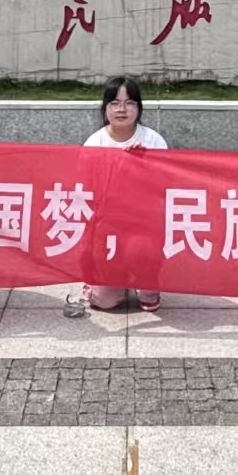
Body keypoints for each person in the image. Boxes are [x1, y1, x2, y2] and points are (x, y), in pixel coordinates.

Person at [83, 75, 166, 313]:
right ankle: (106, 280)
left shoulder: (153, 140)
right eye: (115, 103)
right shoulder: (95, 142)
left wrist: (143, 164)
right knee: (104, 300)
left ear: (138, 108)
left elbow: (165, 186)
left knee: (143, 261)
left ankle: (146, 283)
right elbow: (88, 191)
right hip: (107, 226)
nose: (122, 109)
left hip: (145, 224)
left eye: (130, 103)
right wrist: (121, 167)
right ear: (105, 108)